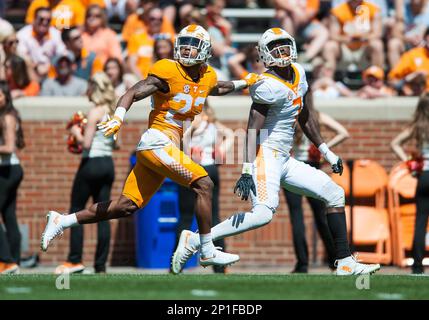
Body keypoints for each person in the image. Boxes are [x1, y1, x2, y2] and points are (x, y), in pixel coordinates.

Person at [40, 25, 262, 270]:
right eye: (184, 42)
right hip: (157, 141)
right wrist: (118, 117)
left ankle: (62, 220)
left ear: (205, 50)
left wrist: (245, 82)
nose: (187, 48)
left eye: (193, 44)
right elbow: (134, 91)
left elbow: (217, 87)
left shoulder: (206, 75)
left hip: (163, 148)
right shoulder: (168, 70)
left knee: (126, 206)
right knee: (204, 183)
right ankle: (206, 248)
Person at [171, 27, 381, 276]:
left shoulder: (299, 72)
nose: (282, 51)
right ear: (265, 53)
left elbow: (304, 115)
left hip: (284, 157)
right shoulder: (266, 84)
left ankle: (345, 261)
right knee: (262, 215)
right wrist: (247, 169)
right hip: (265, 156)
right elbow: (252, 129)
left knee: (334, 194)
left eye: (284, 45)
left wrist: (327, 151)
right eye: (275, 47)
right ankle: (195, 240)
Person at [55, 72, 116, 274]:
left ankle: (75, 260)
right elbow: (117, 144)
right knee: (103, 213)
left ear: (94, 88)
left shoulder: (96, 111)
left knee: (75, 210)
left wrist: (75, 132)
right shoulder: (112, 111)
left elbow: (86, 143)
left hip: (91, 164)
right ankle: (100, 265)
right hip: (108, 164)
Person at [284, 96, 350, 273]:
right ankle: (334, 260)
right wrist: (325, 148)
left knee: (296, 216)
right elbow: (343, 132)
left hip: (292, 167)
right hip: (312, 167)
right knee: (322, 216)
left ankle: (302, 263)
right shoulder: (317, 116)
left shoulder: (289, 114)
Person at [175, 103, 235, 273]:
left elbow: (181, 140)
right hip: (203, 169)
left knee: (190, 217)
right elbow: (230, 134)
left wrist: (221, 150)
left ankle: (177, 265)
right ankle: (219, 267)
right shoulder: (206, 122)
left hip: (197, 169)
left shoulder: (200, 121)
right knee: (206, 216)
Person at [391, 92, 429, 274]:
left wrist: (408, 162)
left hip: (423, 177)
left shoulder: (418, 127)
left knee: (420, 221)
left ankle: (417, 266)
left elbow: (395, 143)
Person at [0, 81, 25, 274]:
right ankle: (14, 261)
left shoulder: (7, 117)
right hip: (9, 170)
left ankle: (7, 261)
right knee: (9, 216)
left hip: (8, 170)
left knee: (8, 216)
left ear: (6, 96)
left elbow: (9, 148)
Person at [323, 0, 384, 73]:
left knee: (377, 44)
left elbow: (377, 34)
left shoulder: (373, 10)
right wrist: (347, 39)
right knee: (329, 46)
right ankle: (328, 81)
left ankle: (377, 78)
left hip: (364, 48)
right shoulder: (337, 11)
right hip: (344, 48)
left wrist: (363, 38)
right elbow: (333, 35)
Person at [17, 7, 67, 81]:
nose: (45, 22)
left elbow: (62, 54)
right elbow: (21, 55)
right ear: (34, 19)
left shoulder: (56, 34)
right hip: (29, 74)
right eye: (41, 19)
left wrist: (49, 66)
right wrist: (35, 66)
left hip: (52, 74)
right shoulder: (23, 34)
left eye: (48, 20)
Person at [388, 28, 429, 96]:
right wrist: (413, 76)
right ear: (425, 37)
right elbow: (392, 80)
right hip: (418, 98)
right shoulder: (412, 55)